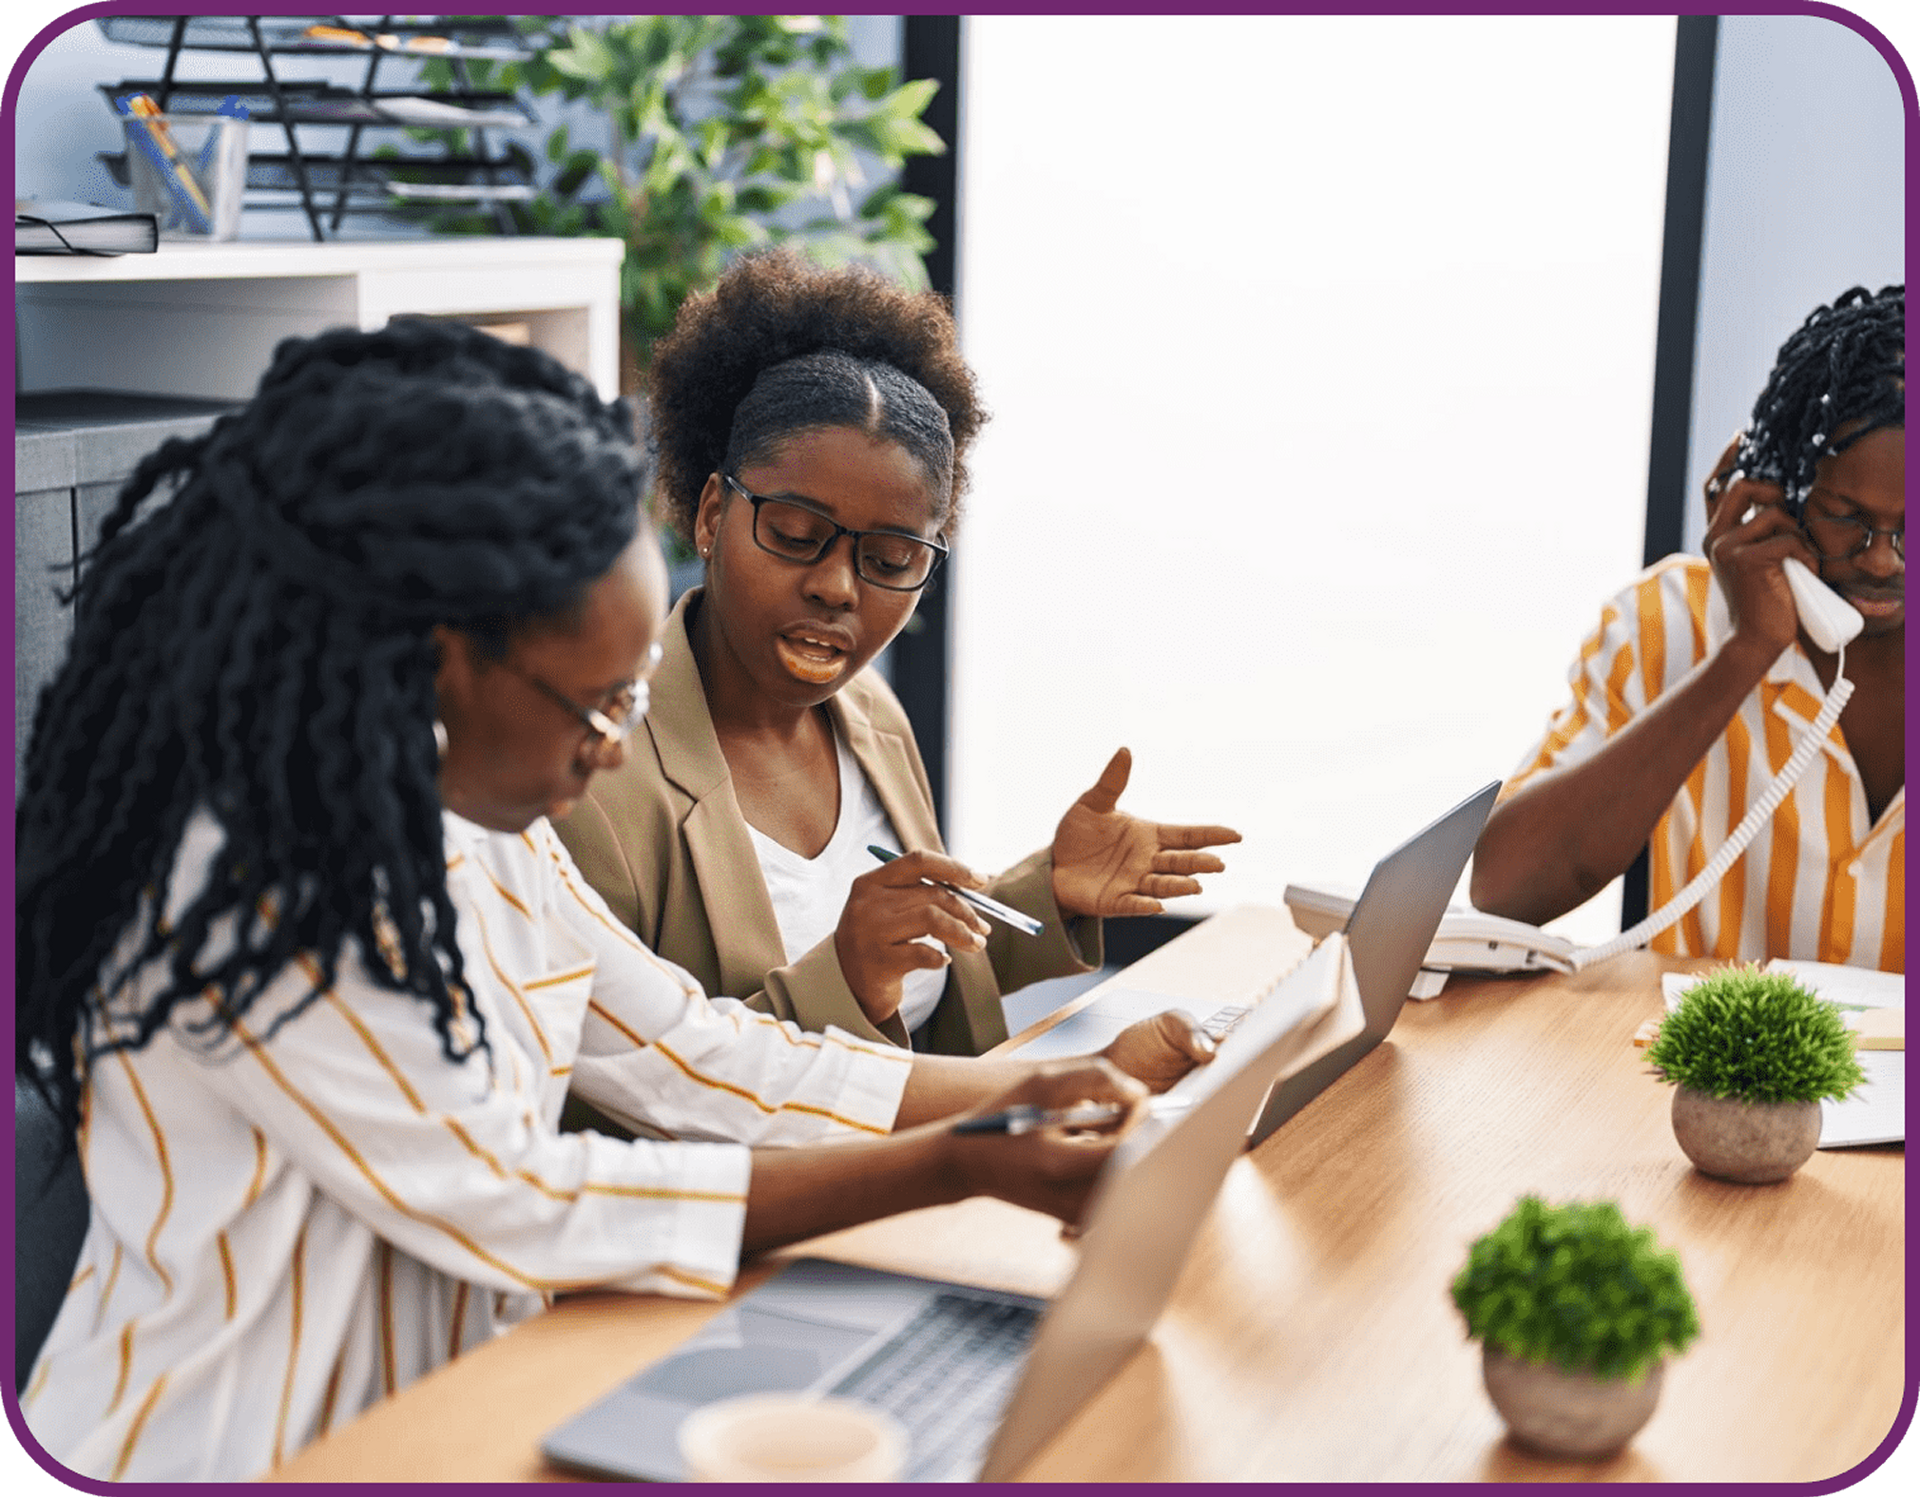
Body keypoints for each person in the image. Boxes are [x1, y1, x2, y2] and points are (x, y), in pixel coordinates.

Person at [12, 321, 1214, 1481]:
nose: (616, 746)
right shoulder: (256, 881)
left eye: (632, 693)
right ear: (436, 655)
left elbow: (697, 1052)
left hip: (452, 1420)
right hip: (224, 1455)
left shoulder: (490, 836)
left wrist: (1034, 1097)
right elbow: (518, 1196)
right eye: (594, 704)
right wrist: (959, 1160)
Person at [555, 250, 1241, 1055]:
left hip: (938, 1152)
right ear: (711, 515)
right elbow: (634, 1087)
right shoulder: (595, 777)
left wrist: (1048, 892)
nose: (839, 587)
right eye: (796, 535)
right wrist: (845, 976)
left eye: (888, 560)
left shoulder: (867, 714)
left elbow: (919, 975)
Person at [1472, 285, 1903, 971]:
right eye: (1847, 517)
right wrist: (1747, 650)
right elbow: (1504, 888)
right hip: (1708, 1073)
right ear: (1773, 485)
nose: (1882, 558)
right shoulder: (1664, 622)